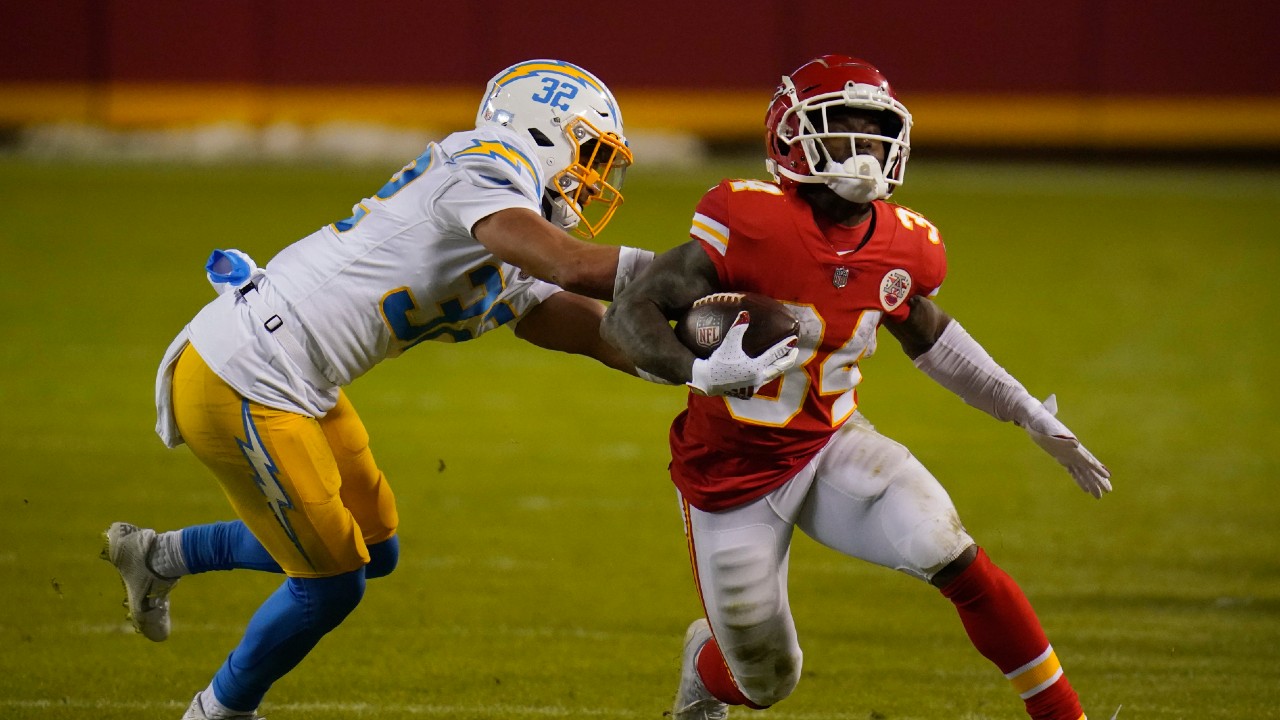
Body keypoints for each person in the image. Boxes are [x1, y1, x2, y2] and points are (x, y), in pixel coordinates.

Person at [100, 59, 656, 720]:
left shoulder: (509, 225)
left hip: (298, 377)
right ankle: (218, 711)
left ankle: (159, 556)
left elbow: (595, 332)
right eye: (591, 154)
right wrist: (700, 269)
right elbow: (573, 267)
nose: (594, 183)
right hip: (245, 372)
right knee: (332, 584)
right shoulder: (485, 163)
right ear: (543, 129)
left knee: (375, 549)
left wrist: (711, 367)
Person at [600, 54, 1113, 720]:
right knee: (766, 680)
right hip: (729, 475)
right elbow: (626, 312)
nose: (865, 148)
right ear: (792, 136)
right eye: (844, 128)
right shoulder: (748, 218)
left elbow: (931, 334)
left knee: (946, 547)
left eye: (876, 132)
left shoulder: (906, 243)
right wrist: (698, 370)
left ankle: (1063, 714)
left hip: (830, 447)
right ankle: (705, 667)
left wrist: (1025, 412)